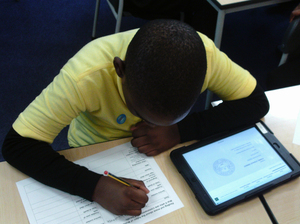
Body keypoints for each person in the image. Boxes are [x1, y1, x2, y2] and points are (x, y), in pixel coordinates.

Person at [2, 19, 269, 216]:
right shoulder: (86, 74)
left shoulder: (205, 55)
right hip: (96, 150)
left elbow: (256, 102)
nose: (151, 124)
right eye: (140, 112)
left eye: (169, 118)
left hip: (168, 149)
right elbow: (17, 145)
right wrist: (94, 187)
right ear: (120, 69)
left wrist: (180, 130)